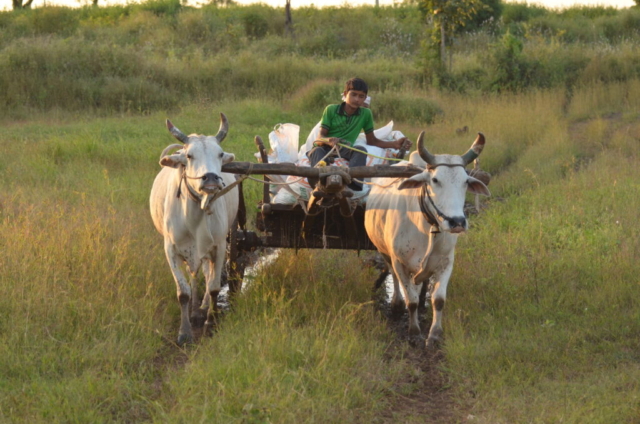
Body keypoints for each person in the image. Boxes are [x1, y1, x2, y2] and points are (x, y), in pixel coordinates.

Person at [307, 77, 411, 192]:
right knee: (317, 152)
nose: (357, 99)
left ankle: (352, 186)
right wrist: (329, 140)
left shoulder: (366, 114)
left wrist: (395, 144)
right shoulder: (331, 109)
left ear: (365, 98)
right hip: (324, 148)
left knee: (359, 150)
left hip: (344, 149)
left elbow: (372, 141)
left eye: (361, 96)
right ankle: (319, 183)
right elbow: (319, 138)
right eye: (353, 95)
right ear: (346, 94)